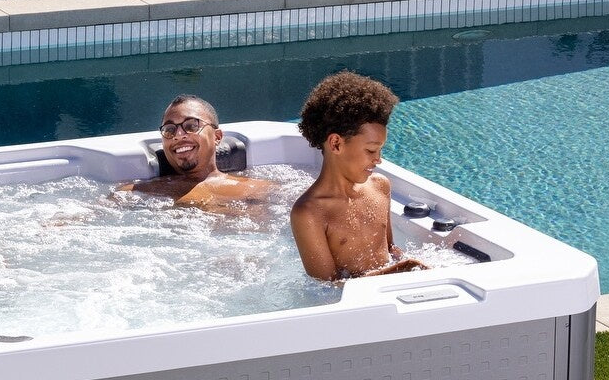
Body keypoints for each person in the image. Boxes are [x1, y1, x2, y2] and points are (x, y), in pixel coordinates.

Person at [290, 71, 427, 281]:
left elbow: (390, 250)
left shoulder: (380, 186)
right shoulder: (309, 213)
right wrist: (402, 269)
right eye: (371, 150)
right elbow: (327, 288)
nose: (378, 159)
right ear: (336, 143)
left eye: (380, 150)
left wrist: (412, 265)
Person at [117, 94, 274, 212]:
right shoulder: (135, 192)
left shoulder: (257, 189)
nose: (179, 135)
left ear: (217, 137)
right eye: (170, 130)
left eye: (191, 126)